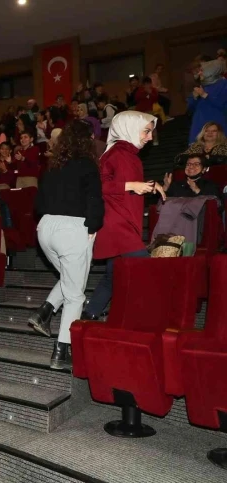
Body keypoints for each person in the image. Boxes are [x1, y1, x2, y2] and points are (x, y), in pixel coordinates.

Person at [27, 121, 105, 369]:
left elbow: (38, 204)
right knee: (75, 295)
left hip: (46, 228)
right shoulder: (87, 165)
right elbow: (95, 199)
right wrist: (92, 227)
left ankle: (45, 312)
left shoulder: (52, 167)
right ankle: (62, 351)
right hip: (72, 228)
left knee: (70, 278)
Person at [82, 112, 166, 320]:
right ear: (129, 128)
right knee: (148, 270)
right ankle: (157, 319)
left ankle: (88, 316)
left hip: (123, 220)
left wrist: (149, 186)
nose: (150, 137)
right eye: (146, 131)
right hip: (117, 223)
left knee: (112, 276)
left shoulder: (128, 154)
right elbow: (95, 186)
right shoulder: (117, 153)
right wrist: (131, 185)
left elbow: (128, 187)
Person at [188, 60, 227, 143]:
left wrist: (206, 95)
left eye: (202, 71)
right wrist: (194, 98)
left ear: (211, 71)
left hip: (216, 125)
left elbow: (223, 105)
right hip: (199, 125)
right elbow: (190, 108)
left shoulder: (223, 84)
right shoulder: (203, 86)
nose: (199, 73)